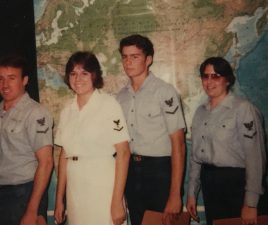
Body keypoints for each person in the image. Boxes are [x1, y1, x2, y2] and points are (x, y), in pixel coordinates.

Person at [187, 57, 268, 225]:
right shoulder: (200, 112)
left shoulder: (243, 109)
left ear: (228, 80)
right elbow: (196, 159)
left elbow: (256, 158)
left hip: (237, 186)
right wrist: (192, 194)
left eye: (215, 76)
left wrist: (251, 203)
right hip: (210, 185)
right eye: (205, 76)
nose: (209, 81)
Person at [54, 51, 130, 225]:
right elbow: (64, 156)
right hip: (75, 191)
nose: (78, 79)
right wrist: (59, 199)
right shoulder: (67, 111)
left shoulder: (109, 105)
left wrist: (117, 202)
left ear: (94, 75)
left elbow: (124, 153)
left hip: (103, 187)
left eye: (84, 73)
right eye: (73, 73)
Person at [116, 34, 186, 225]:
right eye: (125, 56)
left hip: (160, 172)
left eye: (135, 56)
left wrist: (175, 194)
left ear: (149, 60)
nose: (128, 62)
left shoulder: (165, 92)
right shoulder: (120, 97)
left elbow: (178, 144)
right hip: (131, 171)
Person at [0, 54, 54, 225]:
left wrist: (32, 210)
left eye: (11, 78)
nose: (5, 84)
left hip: (25, 195)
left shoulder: (35, 113)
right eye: (0, 78)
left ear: (25, 80)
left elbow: (47, 162)